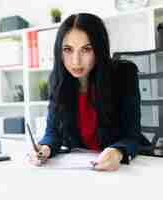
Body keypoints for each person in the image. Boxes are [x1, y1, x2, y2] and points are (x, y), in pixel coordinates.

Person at [29, 13, 151, 171]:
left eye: (86, 49)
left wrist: (118, 151)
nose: (75, 61)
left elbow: (132, 135)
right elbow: (52, 133)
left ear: (99, 49)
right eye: (68, 49)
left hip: (124, 168)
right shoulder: (58, 80)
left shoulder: (123, 74)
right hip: (82, 168)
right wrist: (44, 148)